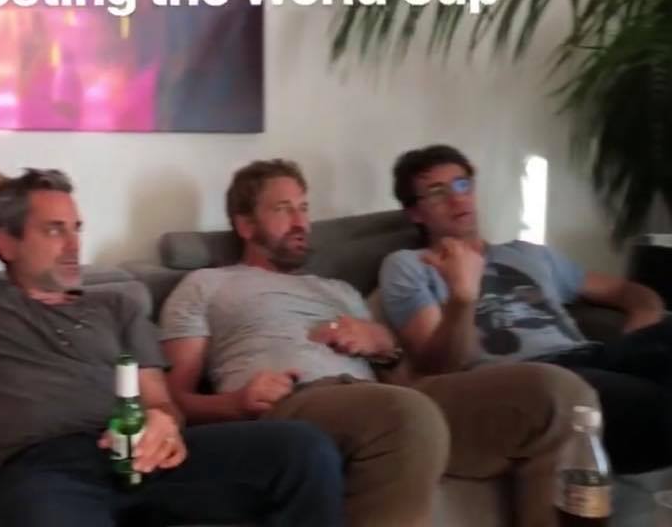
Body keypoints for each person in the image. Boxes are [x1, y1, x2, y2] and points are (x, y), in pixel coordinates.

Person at [159, 158, 598, 527]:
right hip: (295, 401)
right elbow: (173, 402)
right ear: (244, 224)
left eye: (304, 208)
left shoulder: (340, 290)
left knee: (558, 395)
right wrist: (235, 404)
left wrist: (384, 345)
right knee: (406, 415)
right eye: (283, 209)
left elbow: (411, 379)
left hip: (383, 396)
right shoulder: (206, 285)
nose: (301, 222)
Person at [0, 148, 344, 527]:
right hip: (42, 468)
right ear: (6, 242)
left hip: (140, 454)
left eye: (77, 229)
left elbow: (160, 400)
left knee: (303, 450)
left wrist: (164, 423)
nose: (74, 246)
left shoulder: (116, 305)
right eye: (54, 230)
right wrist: (18, 197)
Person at [379, 144, 671, 475]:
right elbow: (438, 365)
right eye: (436, 192)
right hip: (528, 380)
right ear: (415, 213)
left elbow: (630, 292)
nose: (457, 199)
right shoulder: (409, 266)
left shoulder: (529, 254)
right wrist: (462, 296)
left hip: (590, 355)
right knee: (659, 411)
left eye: (462, 184)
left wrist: (641, 328)